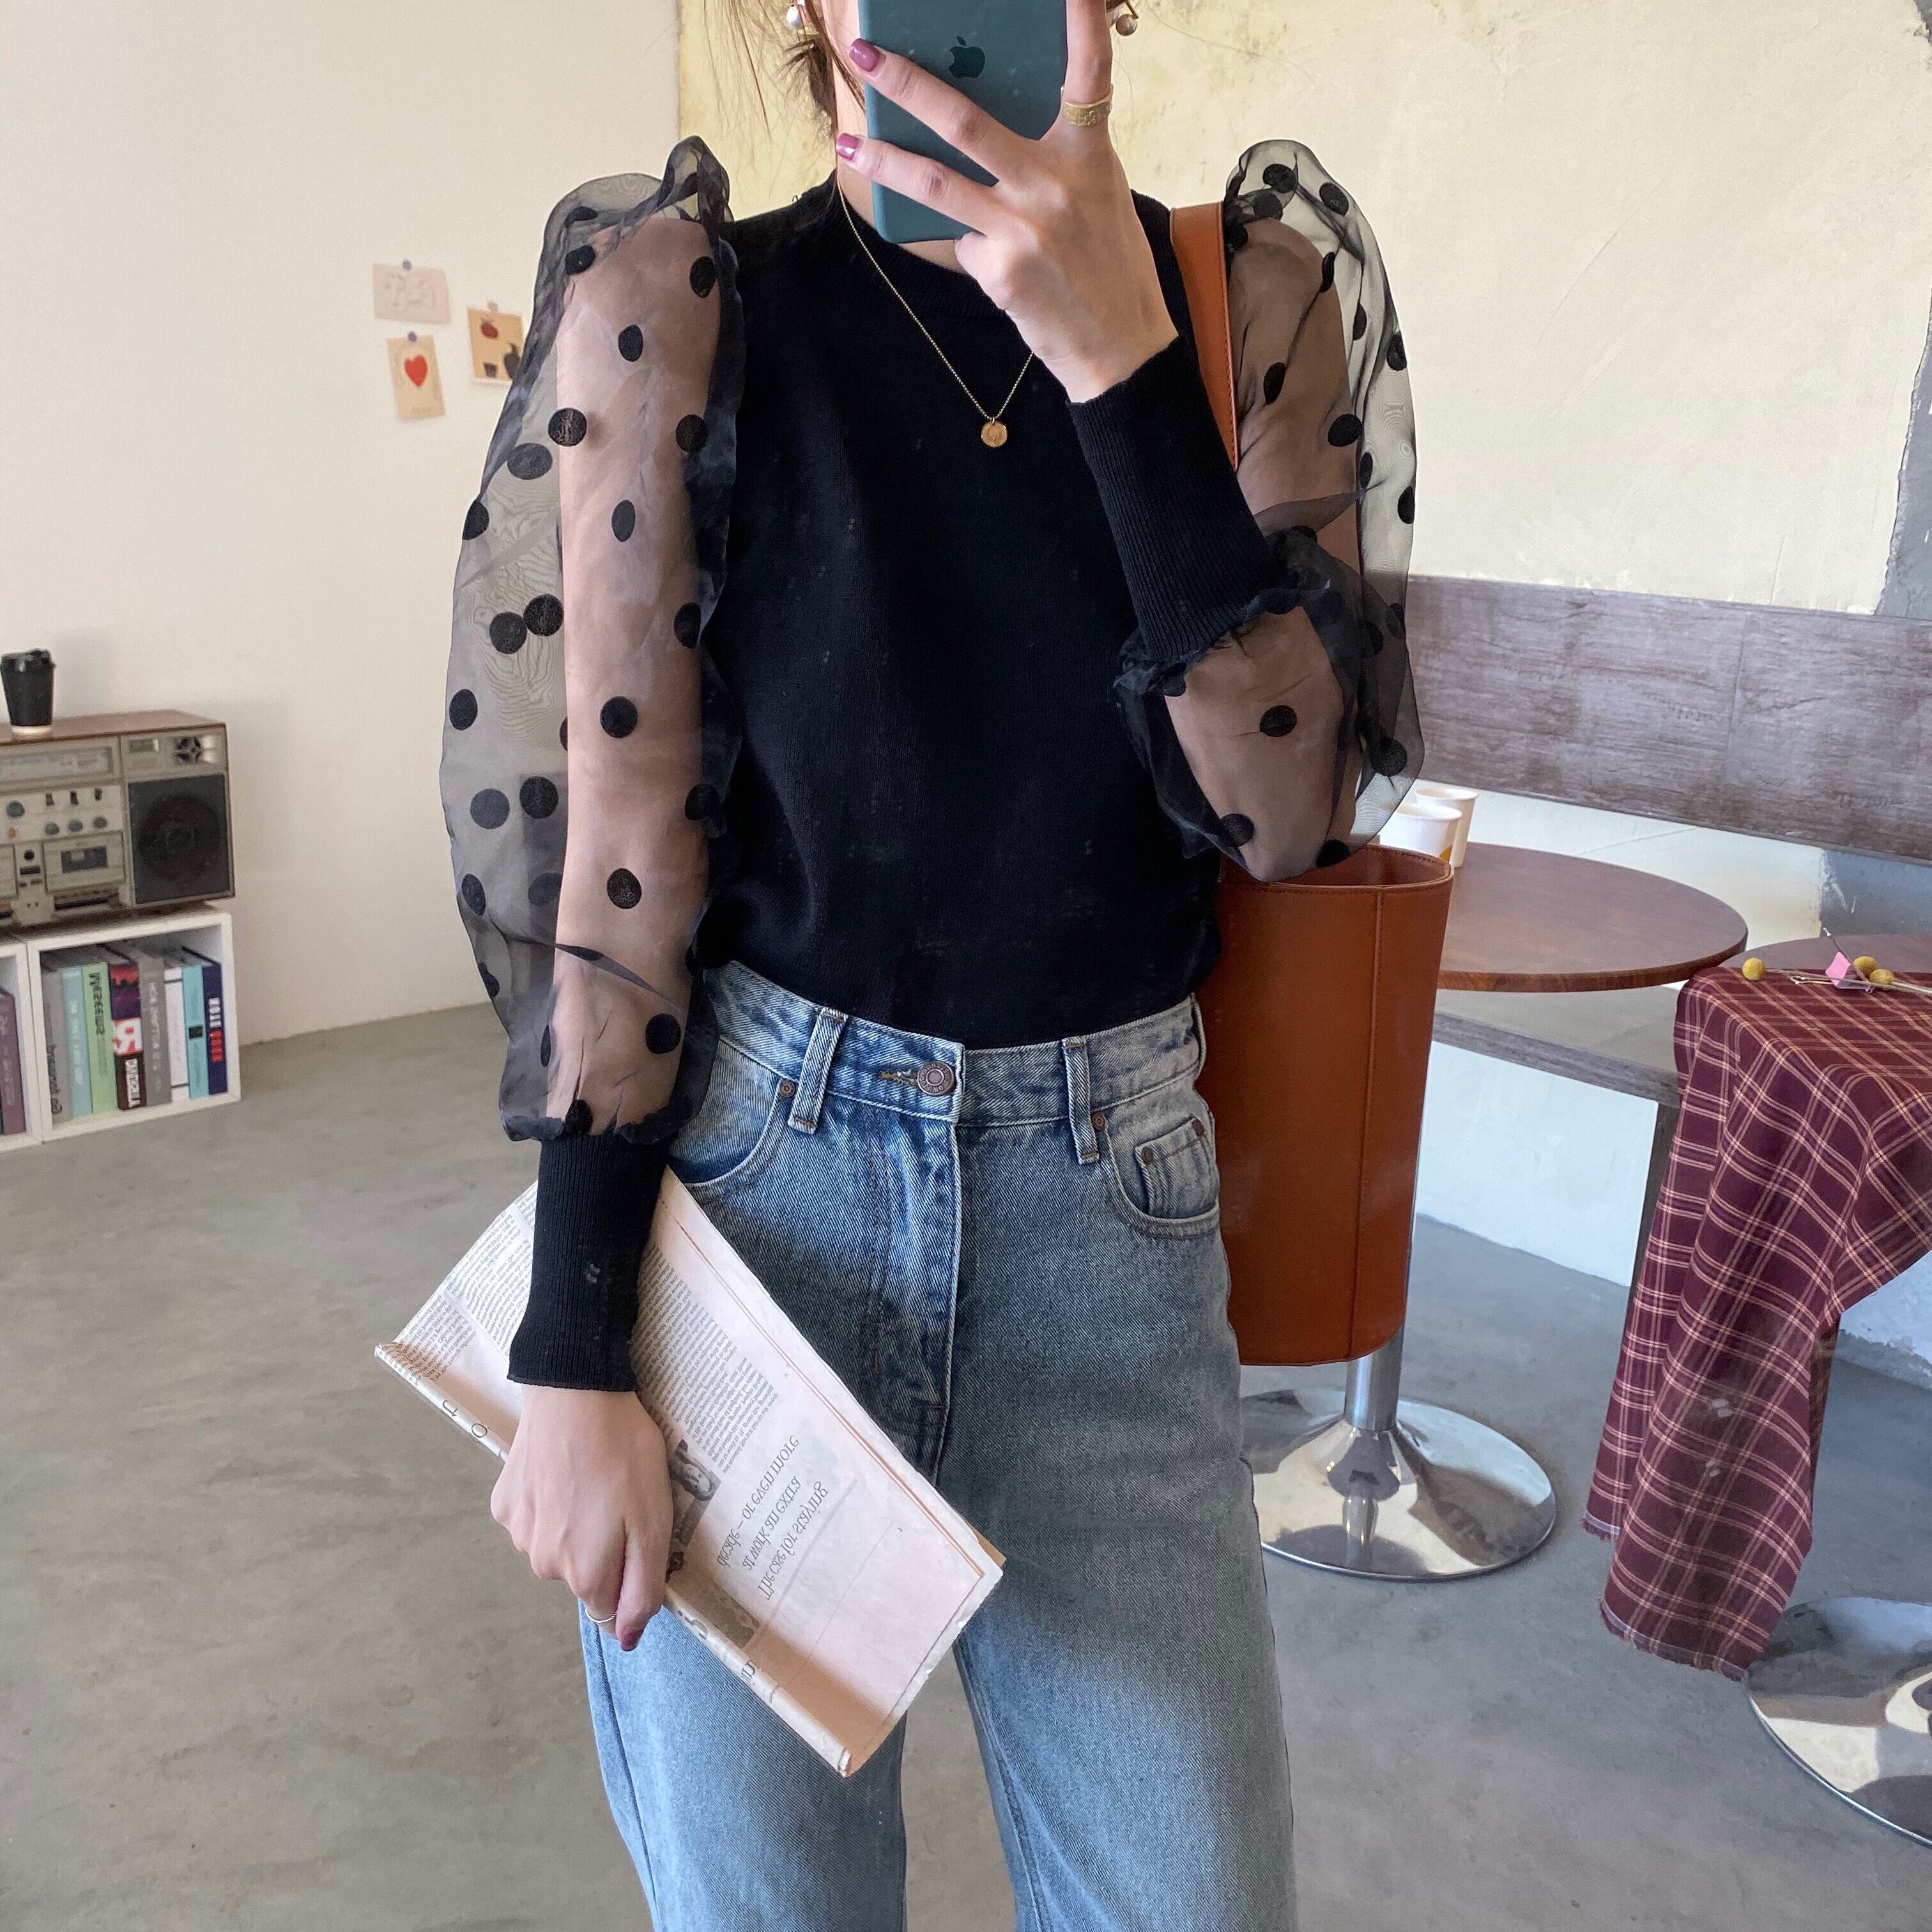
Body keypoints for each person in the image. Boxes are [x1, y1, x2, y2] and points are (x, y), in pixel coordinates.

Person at [440, 1, 1418, 1923]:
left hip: (1113, 1229)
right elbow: (621, 847)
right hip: (757, 1210)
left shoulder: (1250, 296)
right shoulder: (677, 304)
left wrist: (1123, 366)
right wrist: (572, 1343)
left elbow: (1288, 820)